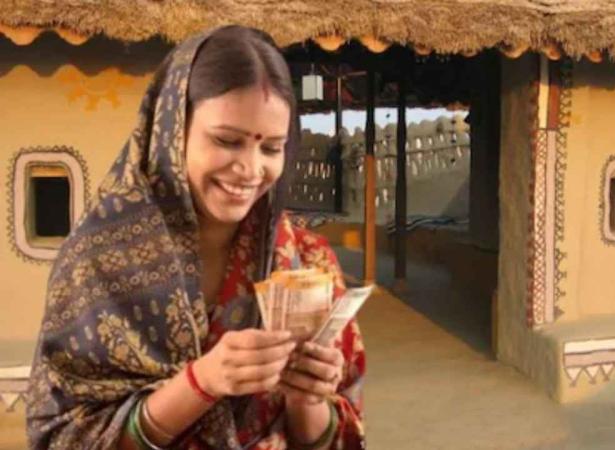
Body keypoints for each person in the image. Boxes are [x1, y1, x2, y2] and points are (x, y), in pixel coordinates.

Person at [25, 26, 366, 450]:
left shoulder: (307, 262)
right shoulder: (96, 263)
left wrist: (306, 400)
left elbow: (339, 434)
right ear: (172, 131)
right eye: (227, 141)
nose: (250, 169)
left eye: (271, 148)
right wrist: (202, 382)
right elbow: (64, 437)